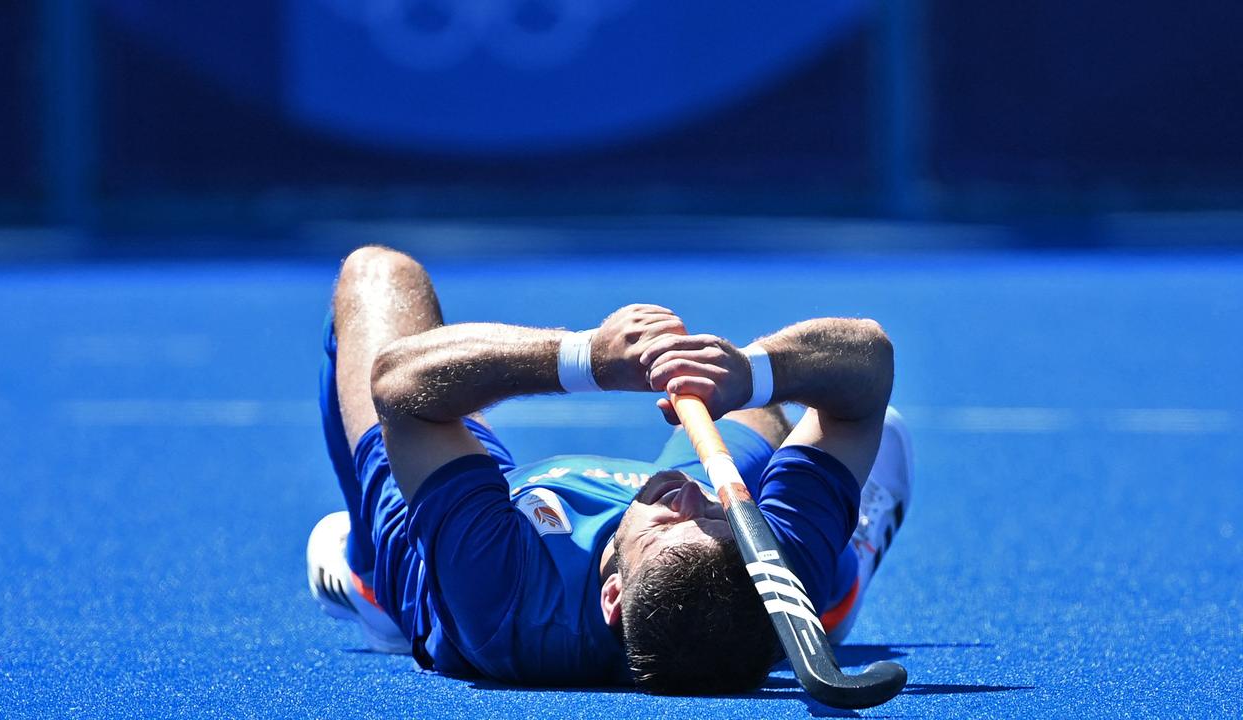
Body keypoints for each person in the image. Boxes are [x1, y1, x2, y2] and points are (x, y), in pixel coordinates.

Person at [306, 246, 914, 694]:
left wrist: (585, 357)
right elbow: (869, 367)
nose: (690, 495)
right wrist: (752, 374)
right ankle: (830, 584)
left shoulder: (500, 591)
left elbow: (400, 386)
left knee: (379, 275)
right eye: (716, 516)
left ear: (613, 595)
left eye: (668, 522)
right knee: (761, 421)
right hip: (734, 585)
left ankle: (372, 580)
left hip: (453, 553)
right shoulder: (768, 563)